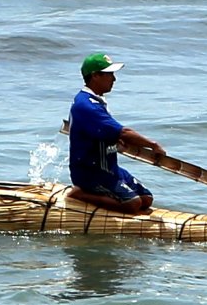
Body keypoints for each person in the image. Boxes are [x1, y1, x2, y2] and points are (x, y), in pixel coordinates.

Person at [67, 53, 166, 214]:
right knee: (132, 204)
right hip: (90, 173)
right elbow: (124, 132)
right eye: (109, 74)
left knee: (146, 198)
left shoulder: (96, 101)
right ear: (95, 76)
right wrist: (152, 145)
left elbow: (103, 132)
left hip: (110, 169)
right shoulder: (86, 106)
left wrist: (114, 142)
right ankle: (80, 194)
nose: (114, 79)